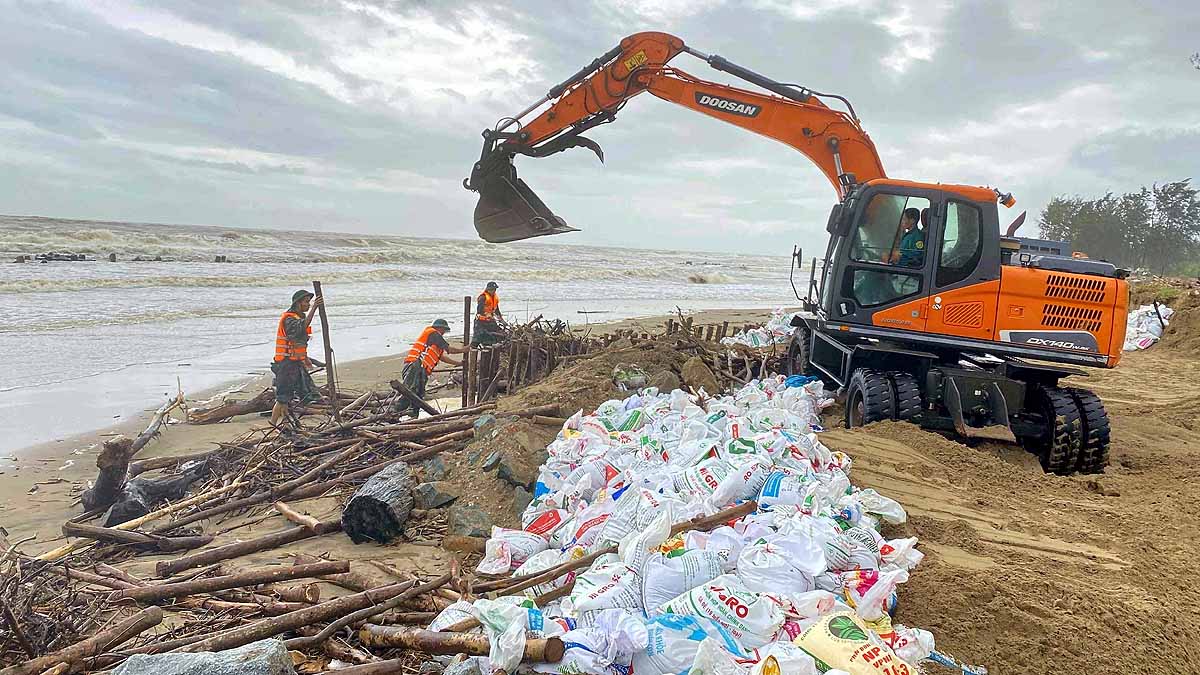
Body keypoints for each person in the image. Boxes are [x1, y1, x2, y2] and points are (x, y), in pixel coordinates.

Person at [270, 289, 324, 426]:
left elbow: (299, 343)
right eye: (306, 302)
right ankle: (273, 424)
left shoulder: (297, 317)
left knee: (299, 394)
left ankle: (286, 424)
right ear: (298, 303)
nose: (308, 304)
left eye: (309, 302)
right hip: (285, 364)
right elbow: (302, 326)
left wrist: (305, 359)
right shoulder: (289, 319)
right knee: (282, 397)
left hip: (295, 363)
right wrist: (314, 308)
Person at [395, 318, 466, 417]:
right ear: (440, 328)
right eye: (444, 331)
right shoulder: (433, 333)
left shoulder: (435, 342)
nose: (444, 333)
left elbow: (442, 357)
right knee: (410, 391)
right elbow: (450, 349)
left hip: (422, 368)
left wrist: (458, 363)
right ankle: (394, 413)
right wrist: (464, 350)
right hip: (415, 365)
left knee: (418, 394)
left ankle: (413, 416)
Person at [473, 281, 505, 346]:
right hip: (480, 322)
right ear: (488, 289)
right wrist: (486, 315)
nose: (493, 291)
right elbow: (479, 311)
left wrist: (502, 320)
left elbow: (497, 311)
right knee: (478, 339)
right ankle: (473, 349)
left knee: (499, 334)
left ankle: (489, 348)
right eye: (492, 289)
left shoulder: (495, 298)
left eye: (494, 289)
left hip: (490, 321)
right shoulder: (483, 297)